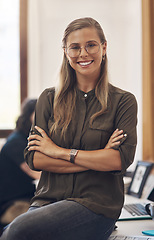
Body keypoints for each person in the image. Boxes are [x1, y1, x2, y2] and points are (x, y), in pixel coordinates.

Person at [0, 17, 137, 240]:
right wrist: (97, 159)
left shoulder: (123, 102)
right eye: (75, 47)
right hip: (47, 199)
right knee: (13, 231)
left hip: (95, 205)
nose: (83, 53)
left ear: (103, 47)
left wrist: (58, 152)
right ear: (65, 51)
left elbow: (118, 161)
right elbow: (36, 159)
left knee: (17, 231)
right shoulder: (48, 98)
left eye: (91, 45)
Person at [0, 99, 41, 229]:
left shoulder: (28, 138)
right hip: (13, 204)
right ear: (30, 115)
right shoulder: (16, 143)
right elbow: (36, 174)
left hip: (28, 197)